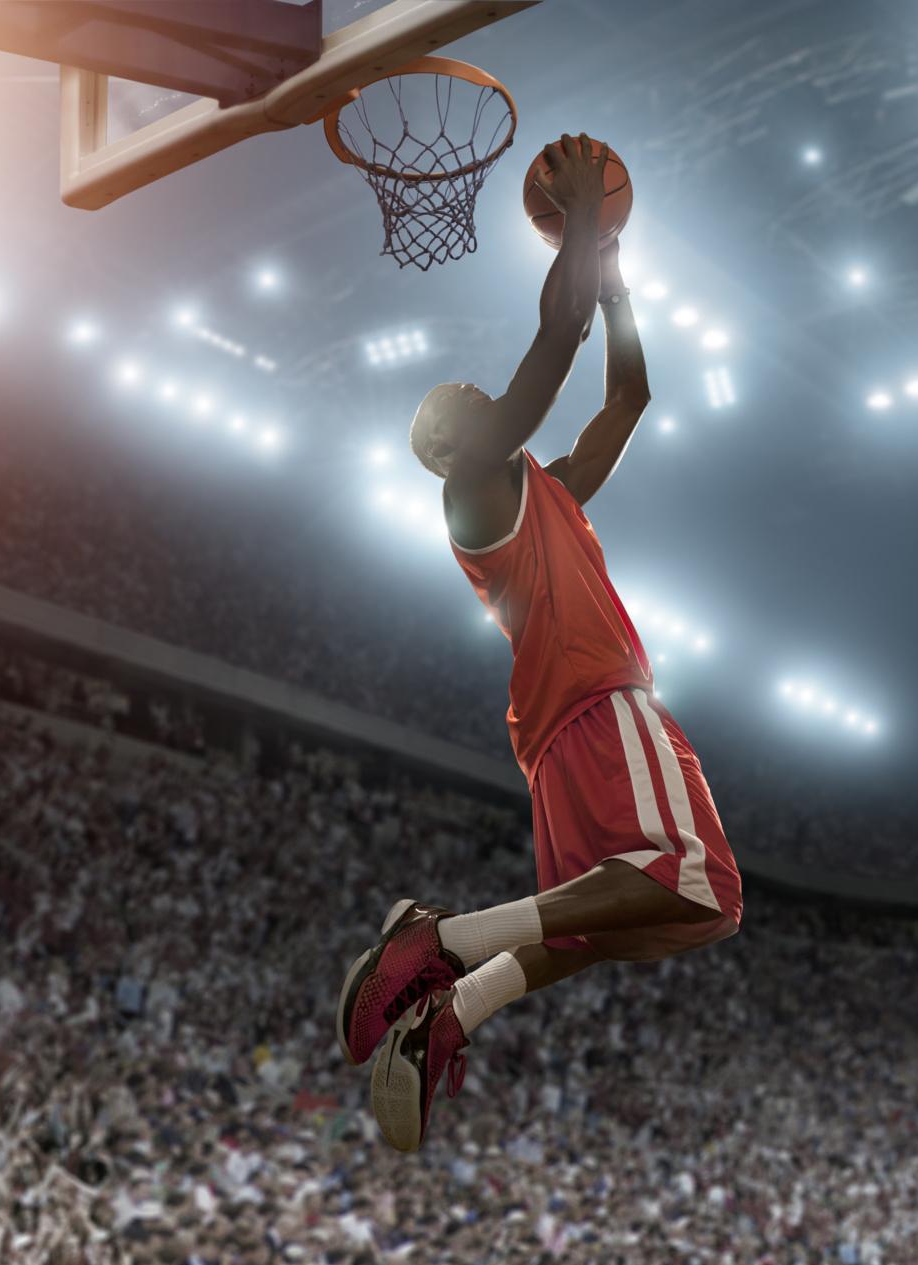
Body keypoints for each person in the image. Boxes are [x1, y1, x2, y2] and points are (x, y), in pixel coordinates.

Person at [333, 134, 742, 1150]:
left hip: (558, 731)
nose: (471, 393)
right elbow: (551, 345)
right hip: (599, 700)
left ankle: (451, 1015)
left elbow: (628, 397)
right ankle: (440, 940)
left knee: (617, 920)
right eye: (456, 401)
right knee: (698, 885)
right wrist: (584, 221)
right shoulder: (469, 482)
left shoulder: (539, 486)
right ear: (443, 446)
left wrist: (613, 283)